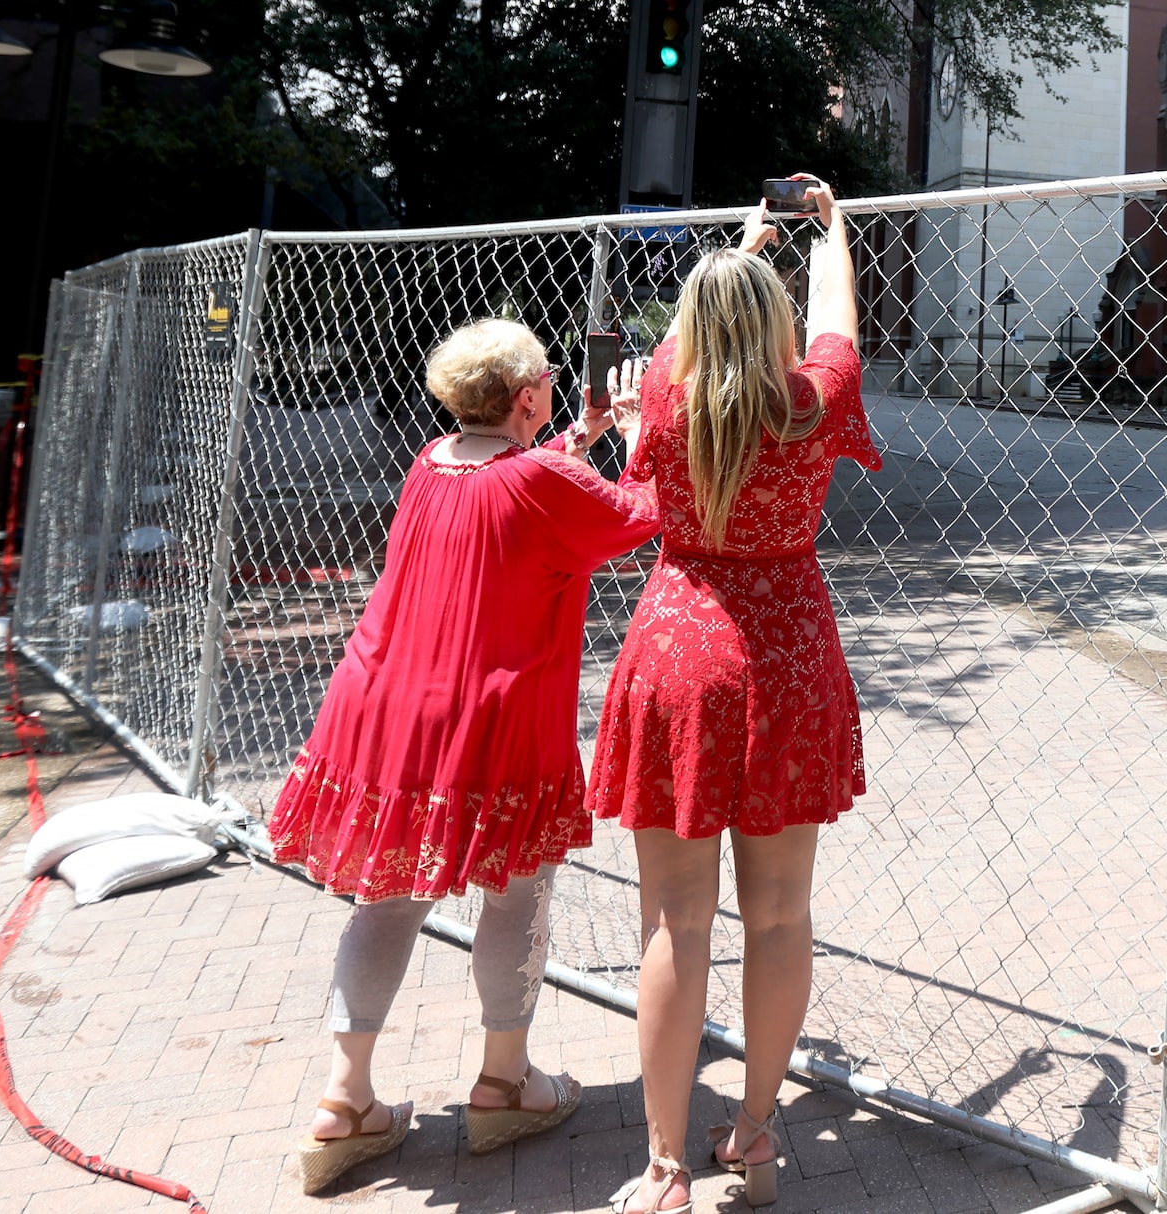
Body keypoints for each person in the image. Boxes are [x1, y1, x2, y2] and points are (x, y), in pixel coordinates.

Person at [268, 318, 661, 1196]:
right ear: (525, 397)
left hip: (383, 700)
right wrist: (633, 435)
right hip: (493, 708)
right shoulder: (542, 476)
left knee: (388, 891)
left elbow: (509, 480)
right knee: (516, 886)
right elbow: (639, 516)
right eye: (549, 385)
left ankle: (345, 1102)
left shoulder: (432, 459)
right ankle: (504, 1082)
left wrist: (577, 441)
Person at [590, 188, 879, 1212]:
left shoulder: (664, 389)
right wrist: (829, 231)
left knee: (674, 922)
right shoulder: (814, 394)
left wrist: (740, 250)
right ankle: (754, 1137)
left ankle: (664, 1168)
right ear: (776, 325)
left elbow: (683, 337)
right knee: (781, 914)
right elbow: (840, 319)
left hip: (679, 646)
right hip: (786, 650)